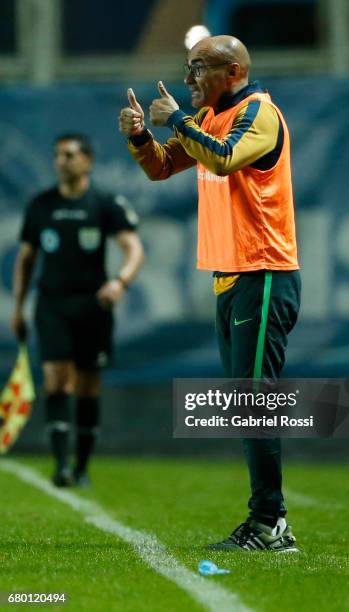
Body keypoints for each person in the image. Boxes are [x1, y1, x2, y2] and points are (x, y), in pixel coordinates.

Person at [119, 35, 301, 551]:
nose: (188, 78)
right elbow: (160, 167)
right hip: (231, 275)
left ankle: (270, 524)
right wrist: (138, 138)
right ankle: (268, 521)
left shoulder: (259, 114)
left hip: (264, 272)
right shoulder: (205, 119)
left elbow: (222, 160)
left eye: (198, 68)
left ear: (234, 71)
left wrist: (176, 119)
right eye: (187, 67)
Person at [11, 133, 144, 487]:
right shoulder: (41, 205)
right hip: (52, 304)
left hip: (92, 306)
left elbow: (133, 248)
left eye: (69, 155)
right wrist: (19, 307)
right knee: (56, 379)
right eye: (57, 155)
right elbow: (26, 259)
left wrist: (120, 282)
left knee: (87, 386)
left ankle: (82, 466)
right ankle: (60, 466)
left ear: (88, 160)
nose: (61, 161)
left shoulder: (104, 203)